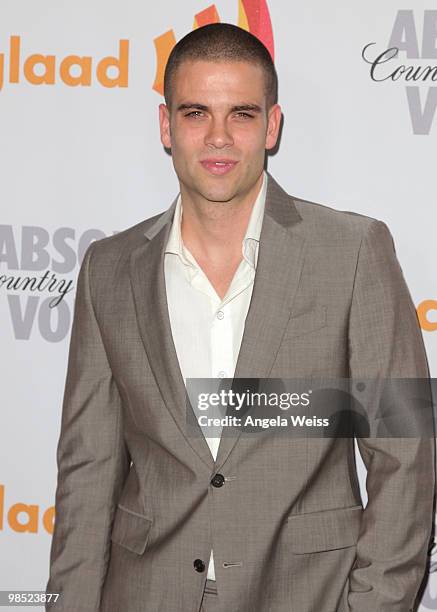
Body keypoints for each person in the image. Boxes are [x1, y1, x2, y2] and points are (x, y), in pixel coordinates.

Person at [46, 22, 435, 612]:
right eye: (197, 112)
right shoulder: (109, 267)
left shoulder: (353, 251)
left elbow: (403, 453)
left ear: (272, 126)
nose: (219, 138)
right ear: (166, 126)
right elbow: (88, 471)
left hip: (304, 595)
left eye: (242, 114)